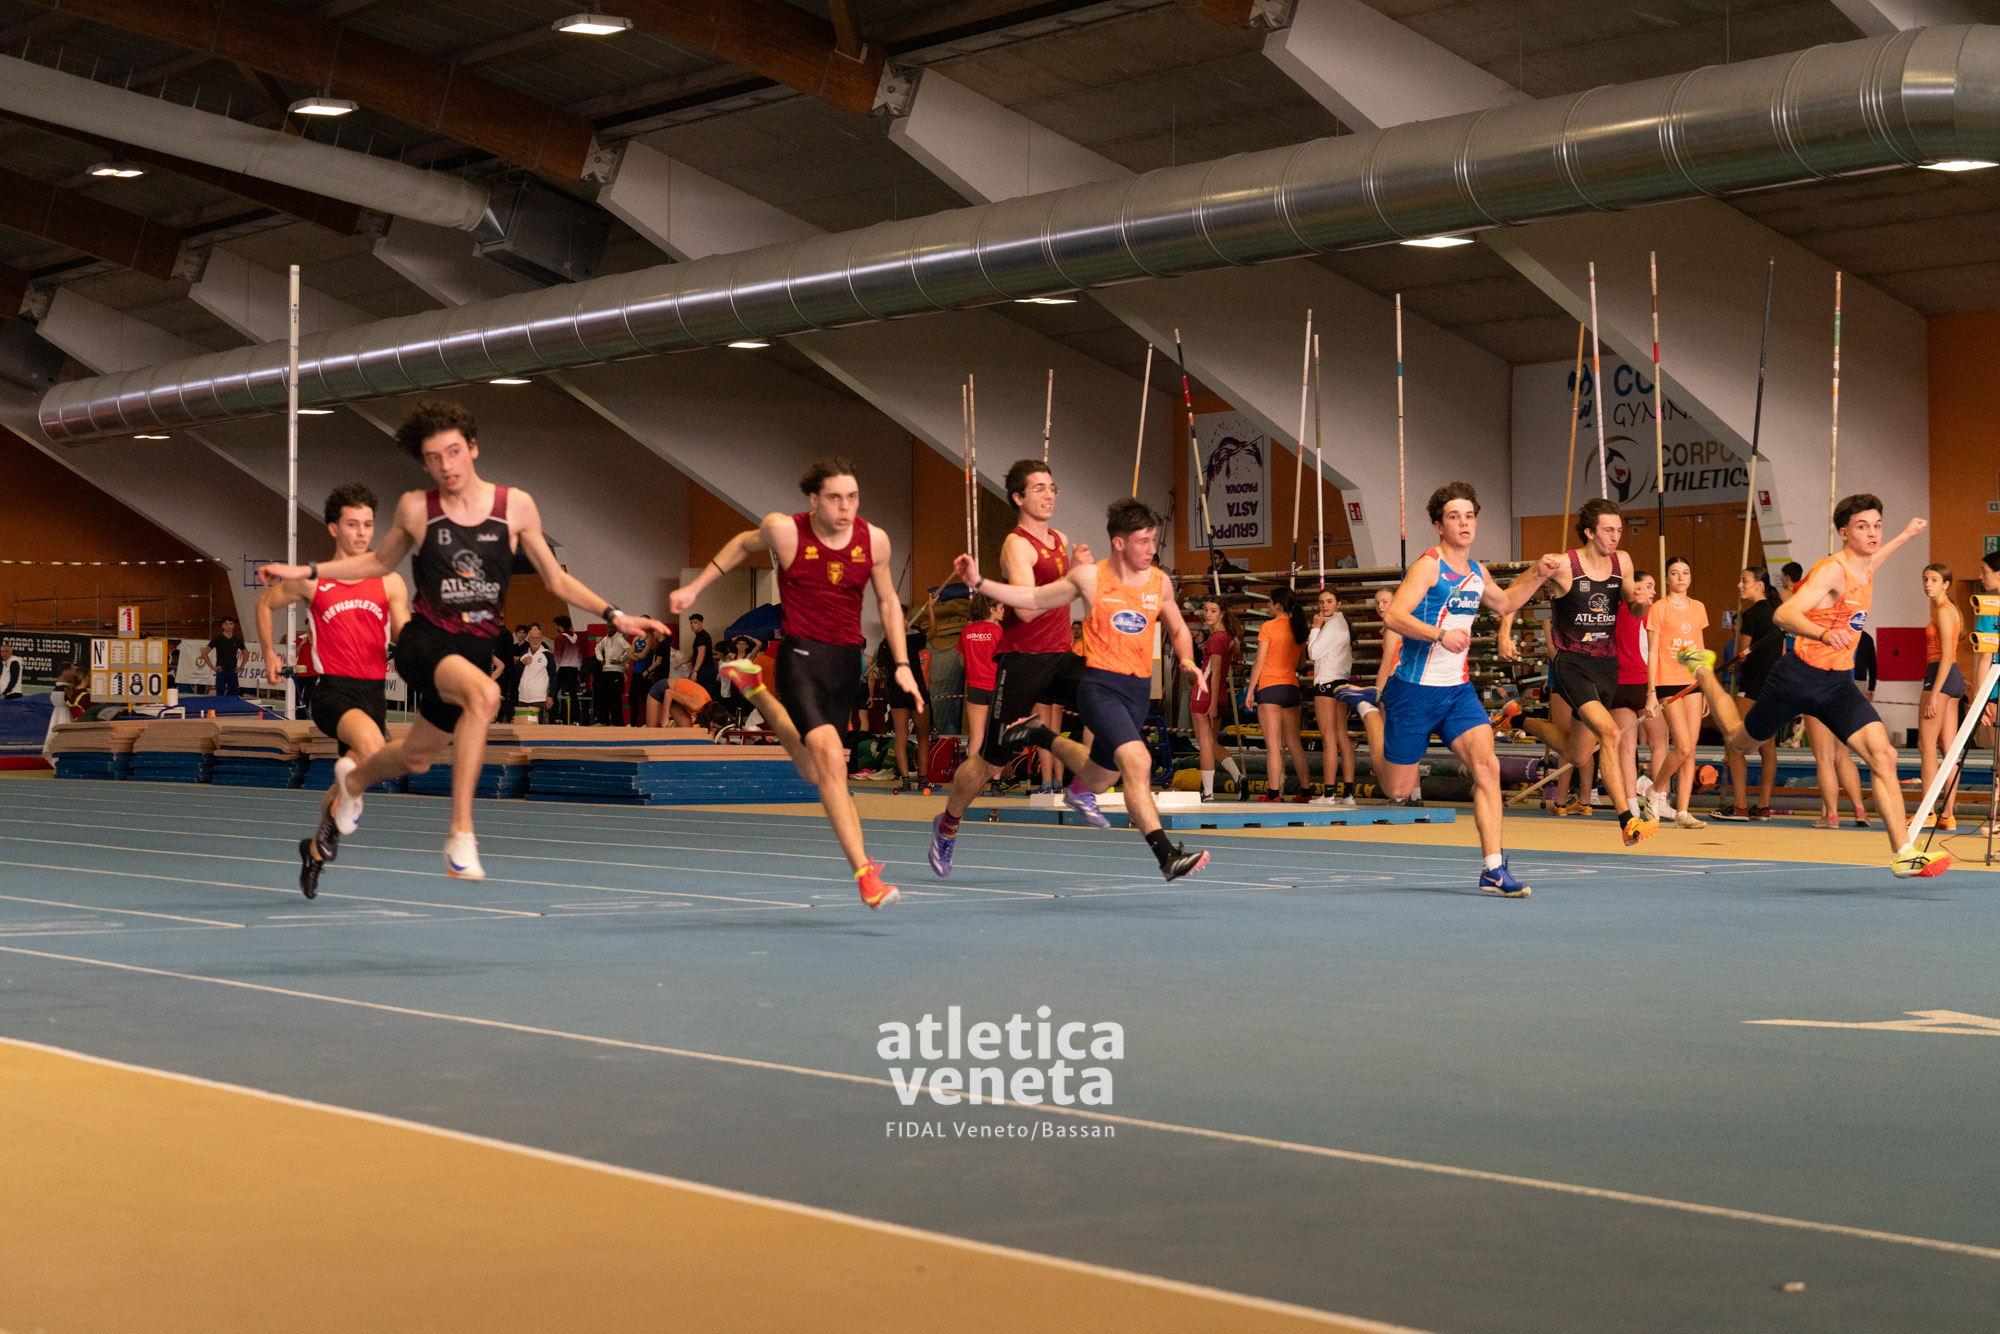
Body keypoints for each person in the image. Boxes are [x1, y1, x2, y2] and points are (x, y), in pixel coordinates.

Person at [258, 399, 664, 880]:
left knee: (415, 758)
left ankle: (353, 783)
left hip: (471, 652)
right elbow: (377, 563)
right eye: (433, 458)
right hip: (425, 643)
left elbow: (556, 580)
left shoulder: (515, 507)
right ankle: (461, 834)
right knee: (486, 695)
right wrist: (305, 571)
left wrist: (614, 614)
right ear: (424, 463)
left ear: (472, 447)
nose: (445, 466)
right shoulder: (417, 508)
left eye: (453, 452)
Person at [669, 455, 918, 909]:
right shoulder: (785, 531)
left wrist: (900, 662)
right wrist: (696, 587)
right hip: (801, 657)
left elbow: (887, 602)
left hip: (845, 663)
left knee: (811, 769)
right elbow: (741, 544)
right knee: (831, 759)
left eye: (853, 497)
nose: (846, 507)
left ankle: (756, 691)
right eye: (835, 498)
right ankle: (866, 874)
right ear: (814, 500)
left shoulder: (874, 540)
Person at [1667, 494, 1945, 877]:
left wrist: (1903, 537)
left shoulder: (1864, 565)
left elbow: (1874, 560)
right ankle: (1703, 671)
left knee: (1884, 756)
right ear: (1844, 533)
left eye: (1877, 526)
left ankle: (1904, 854)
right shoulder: (1831, 571)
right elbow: (1784, 614)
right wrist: (1824, 633)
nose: (1873, 534)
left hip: (1837, 684)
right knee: (1738, 742)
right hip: (1797, 678)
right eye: (1863, 527)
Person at [955, 498, 1210, 881]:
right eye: (1143, 541)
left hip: (1137, 692)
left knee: (1099, 778)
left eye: (1153, 540)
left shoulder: (1159, 582)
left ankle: (1039, 734)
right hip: (1101, 688)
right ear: (1119, 543)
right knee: (1138, 762)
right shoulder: (1091, 578)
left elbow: (1177, 628)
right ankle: (1167, 856)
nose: (1151, 549)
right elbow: (1033, 599)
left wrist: (1188, 661)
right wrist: (980, 583)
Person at [1374, 483, 1562, 894]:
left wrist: (1538, 573)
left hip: (1456, 692)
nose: (1464, 523)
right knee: (1398, 790)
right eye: (1454, 516)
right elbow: (1394, 617)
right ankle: (1372, 716)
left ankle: (1493, 868)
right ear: (1439, 525)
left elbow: (1507, 603)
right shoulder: (1428, 566)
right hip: (1413, 691)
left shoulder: (1477, 572)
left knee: (1488, 767)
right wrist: (1440, 635)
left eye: (1470, 516)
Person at [927, 460, 1087, 874]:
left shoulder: (1060, 539)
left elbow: (1064, 593)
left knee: (1112, 693)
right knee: (991, 762)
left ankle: (1082, 783)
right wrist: (1074, 583)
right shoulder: (1016, 546)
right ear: (1018, 497)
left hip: (1060, 656)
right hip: (1022, 662)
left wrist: (1082, 576)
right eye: (1038, 489)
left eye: (1052, 487)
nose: (1048, 495)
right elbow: (1027, 610)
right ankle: (948, 824)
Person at [255, 482, 412, 897]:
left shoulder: (391, 582)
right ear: (333, 528)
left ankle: (315, 849)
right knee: (373, 751)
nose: (362, 533)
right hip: (331, 691)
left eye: (368, 525)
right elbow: (265, 603)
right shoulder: (313, 582)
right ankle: (341, 812)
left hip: (374, 695)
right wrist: (270, 653)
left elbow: (404, 632)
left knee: (355, 775)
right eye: (353, 524)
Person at [1515, 499, 1658, 845]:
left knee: (1577, 752)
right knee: (1610, 733)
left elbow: (1634, 610)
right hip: (1572, 663)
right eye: (1609, 530)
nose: (1616, 536)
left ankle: (1517, 719)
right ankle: (1628, 821)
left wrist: (1641, 603)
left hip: (1606, 667)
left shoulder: (1622, 561)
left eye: (1619, 530)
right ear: (1590, 532)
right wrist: (1506, 632)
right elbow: (1517, 590)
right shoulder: (1564, 564)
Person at [1644, 556, 1709, 829]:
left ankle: (1683, 811)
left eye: (1685, 572)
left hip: (1692, 682)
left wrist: (1706, 688)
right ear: (1667, 578)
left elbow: (1699, 649)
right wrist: (1651, 692)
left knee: (1690, 749)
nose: (1681, 577)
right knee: (1681, 745)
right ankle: (1655, 791)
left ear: (1690, 577)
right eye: (1674, 573)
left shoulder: (1698, 607)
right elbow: (1653, 652)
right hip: (1667, 682)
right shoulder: (1658, 608)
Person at [1716, 567, 1783, 822]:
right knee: (1768, 745)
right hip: (1774, 687)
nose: (1739, 585)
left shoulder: (1752, 613)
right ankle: (1763, 807)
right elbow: (1781, 653)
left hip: (1752, 687)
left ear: (1759, 585)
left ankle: (1740, 807)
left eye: (1744, 580)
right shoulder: (1778, 613)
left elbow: (1744, 653)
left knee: (1734, 744)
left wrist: (1735, 665)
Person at [1609, 569, 1668, 825]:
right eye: (1649, 586)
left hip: (1617, 685)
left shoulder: (1614, 610)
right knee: (1659, 743)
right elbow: (1654, 652)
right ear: (1635, 589)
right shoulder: (1649, 612)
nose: (1654, 591)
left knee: (1626, 748)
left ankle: (1631, 805)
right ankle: (1658, 801)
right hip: (1642, 683)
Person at [1246, 586, 1312, 802]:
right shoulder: (1299, 628)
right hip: (1291, 687)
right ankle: (1305, 791)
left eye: (1269, 602)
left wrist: (1250, 691)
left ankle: (1274, 794)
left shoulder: (1268, 627)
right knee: (1294, 743)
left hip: (1270, 688)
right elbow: (1301, 663)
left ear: (1278, 605)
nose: (1267, 606)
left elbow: (1259, 662)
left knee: (1273, 746)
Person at [1918, 563, 1966, 831]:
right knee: (1948, 750)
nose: (1928, 584)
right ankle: (1947, 814)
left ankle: (1927, 811)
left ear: (1946, 584)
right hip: (1951, 678)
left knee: (1926, 746)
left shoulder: (1945, 612)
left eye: (1934, 580)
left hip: (1941, 675)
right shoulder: (1947, 610)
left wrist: (1934, 694)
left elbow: (1946, 657)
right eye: (1925, 579)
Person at [1307, 585, 1356, 805]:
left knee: (1329, 739)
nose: (1324, 606)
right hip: (1341, 683)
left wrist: (1315, 628)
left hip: (1327, 684)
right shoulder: (1340, 623)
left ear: (1338, 604)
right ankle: (1348, 794)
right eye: (1321, 602)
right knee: (1342, 737)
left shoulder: (1333, 625)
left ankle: (1328, 794)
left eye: (1329, 601)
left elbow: (1313, 652)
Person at [1192, 597, 1244, 801]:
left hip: (1205, 694)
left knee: (1205, 744)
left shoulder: (1217, 637)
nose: (1207, 614)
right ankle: (1239, 777)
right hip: (1220, 693)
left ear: (1222, 614)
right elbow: (1233, 649)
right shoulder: (1228, 637)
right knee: (1211, 743)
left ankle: (1208, 792)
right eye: (1206, 610)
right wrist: (1201, 642)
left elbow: (1214, 672)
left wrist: (1212, 704)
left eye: (1213, 611)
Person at [876, 613, 932, 793]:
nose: (907, 621)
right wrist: (931, 610)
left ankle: (906, 781)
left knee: (900, 737)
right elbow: (933, 632)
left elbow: (880, 666)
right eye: (904, 619)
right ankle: (922, 780)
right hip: (915, 692)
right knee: (923, 737)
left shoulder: (884, 644)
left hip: (896, 693)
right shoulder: (910, 641)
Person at [959, 592, 1002, 763]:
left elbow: (962, 662)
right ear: (992, 610)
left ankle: (973, 777)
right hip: (996, 687)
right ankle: (996, 778)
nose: (1004, 611)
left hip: (975, 687)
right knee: (996, 735)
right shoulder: (999, 632)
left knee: (976, 736)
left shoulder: (967, 630)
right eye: (1001, 608)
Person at [594, 621, 630, 726]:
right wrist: (601, 659)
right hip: (606, 671)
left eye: (610, 627)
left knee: (615, 699)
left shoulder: (619, 639)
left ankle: (617, 723)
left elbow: (629, 648)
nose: (608, 629)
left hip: (616, 672)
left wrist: (620, 660)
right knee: (604, 698)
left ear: (615, 628)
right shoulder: (605, 639)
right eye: (607, 627)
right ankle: (603, 722)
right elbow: (597, 648)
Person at [515, 625, 553, 723]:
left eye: (537, 638)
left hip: (539, 697)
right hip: (523, 697)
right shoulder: (524, 654)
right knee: (522, 726)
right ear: (528, 639)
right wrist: (521, 663)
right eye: (533, 638)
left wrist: (550, 696)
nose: (535, 640)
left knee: (538, 726)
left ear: (541, 639)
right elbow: (516, 673)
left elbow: (553, 677)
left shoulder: (547, 655)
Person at [549, 615, 583, 723]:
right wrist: (578, 669)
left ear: (560, 626)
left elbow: (557, 657)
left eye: (556, 625)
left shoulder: (559, 639)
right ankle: (576, 720)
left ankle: (556, 717)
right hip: (574, 669)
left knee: (553, 692)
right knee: (573, 695)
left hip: (563, 669)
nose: (556, 627)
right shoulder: (577, 638)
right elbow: (580, 656)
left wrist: (554, 671)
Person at [201, 617, 246, 696]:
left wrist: (241, 666)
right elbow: (204, 653)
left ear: (234, 625)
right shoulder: (217, 639)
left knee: (234, 695)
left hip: (233, 671)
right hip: (221, 671)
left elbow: (246, 654)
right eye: (226, 624)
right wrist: (212, 667)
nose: (229, 626)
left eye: (231, 624)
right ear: (222, 626)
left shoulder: (237, 640)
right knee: (220, 695)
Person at [649, 673, 713, 728]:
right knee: (652, 731)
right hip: (663, 690)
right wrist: (665, 718)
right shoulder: (696, 705)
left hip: (676, 699)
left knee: (686, 729)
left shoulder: (710, 709)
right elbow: (668, 693)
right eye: (714, 727)